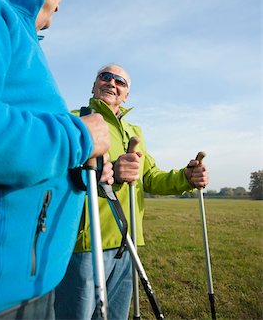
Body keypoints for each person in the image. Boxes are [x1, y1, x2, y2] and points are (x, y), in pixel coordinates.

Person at [0, 0, 114, 320]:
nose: (62, 1)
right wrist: (80, 136)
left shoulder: (23, 38)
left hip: (30, 286)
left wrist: (86, 169)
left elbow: (29, 146)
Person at [55, 63, 209, 320]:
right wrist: (110, 171)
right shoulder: (73, 120)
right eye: (105, 76)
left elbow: (150, 177)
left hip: (128, 244)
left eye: (120, 81)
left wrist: (186, 177)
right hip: (87, 244)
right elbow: (59, 174)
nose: (112, 83)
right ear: (94, 85)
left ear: (127, 95)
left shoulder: (134, 132)